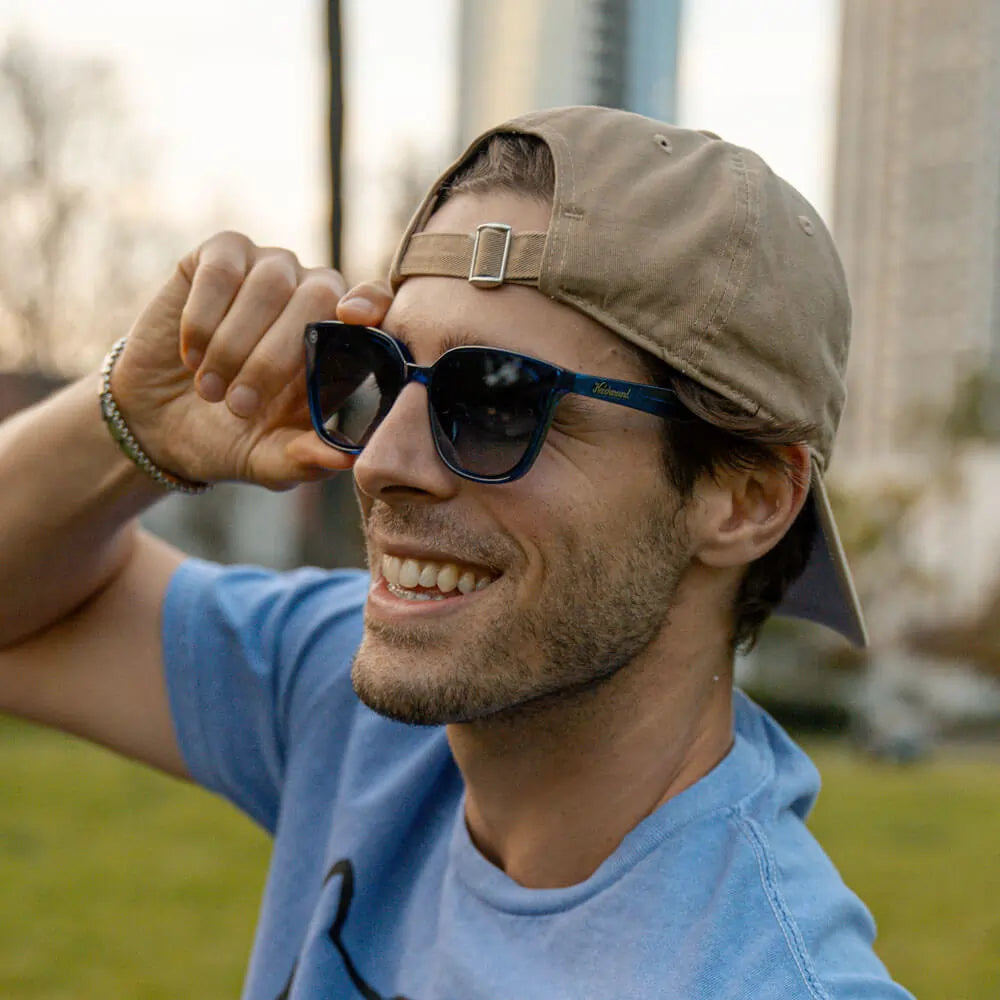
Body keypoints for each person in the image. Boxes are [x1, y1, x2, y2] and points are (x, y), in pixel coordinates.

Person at [0, 106, 912, 999]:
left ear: (746, 499)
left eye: (497, 400)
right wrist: (132, 419)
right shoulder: (357, 719)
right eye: (380, 374)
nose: (382, 463)